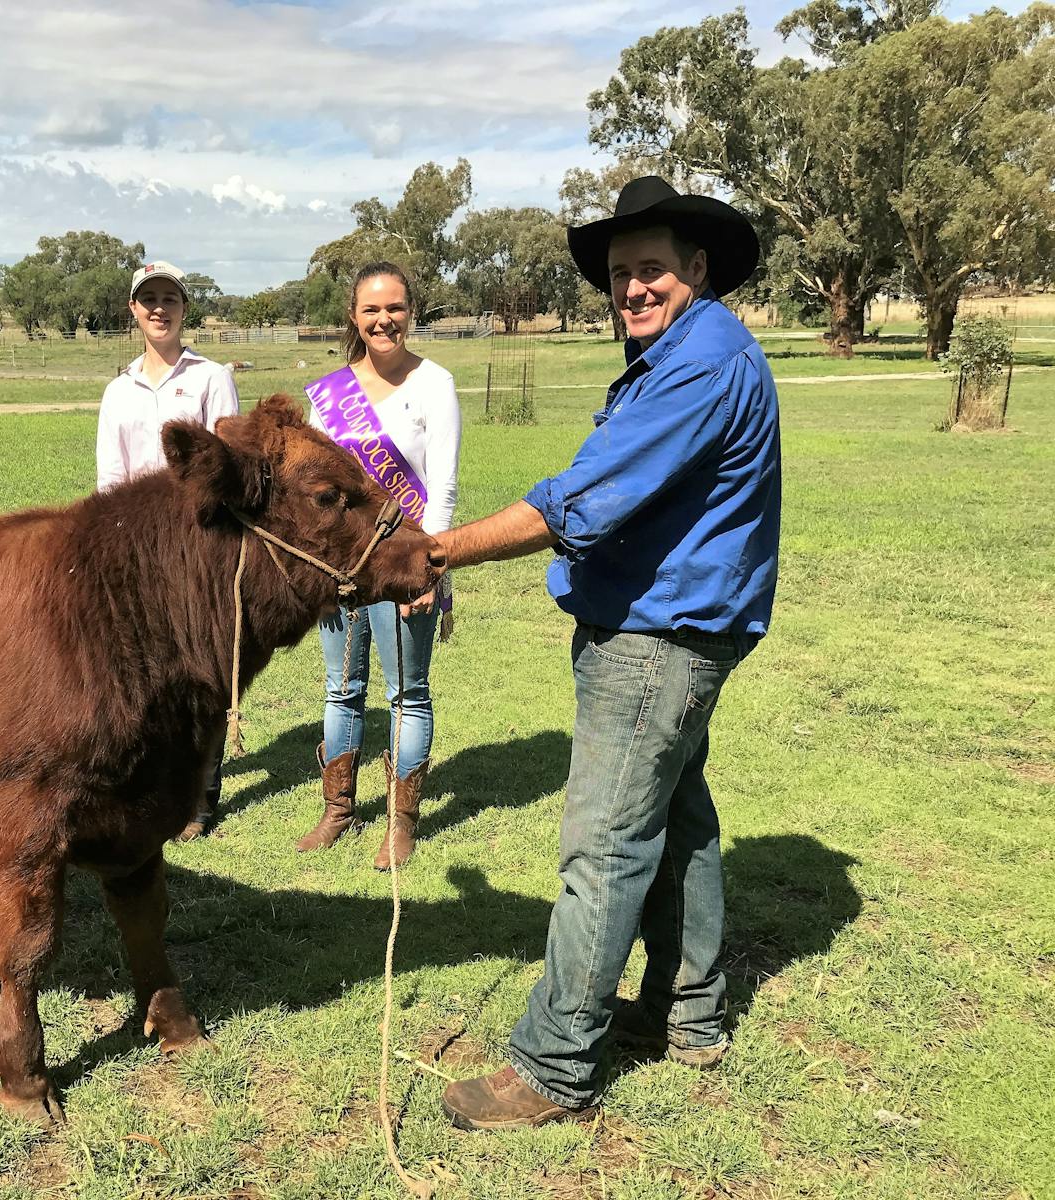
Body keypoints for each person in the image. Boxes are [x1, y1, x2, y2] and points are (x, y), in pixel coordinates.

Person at [435, 178, 782, 1129]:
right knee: (677, 819)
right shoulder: (693, 350)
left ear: (697, 270)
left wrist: (433, 550)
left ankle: (553, 1066)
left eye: (653, 270)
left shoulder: (699, 363)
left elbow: (578, 502)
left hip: (658, 638)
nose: (634, 289)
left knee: (606, 845)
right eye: (622, 274)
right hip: (683, 626)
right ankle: (690, 1014)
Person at [295, 261, 461, 870]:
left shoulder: (435, 384)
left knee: (406, 695)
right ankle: (338, 808)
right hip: (342, 570)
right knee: (342, 690)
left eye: (394, 307)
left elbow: (441, 491)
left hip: (401, 565)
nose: (383, 319)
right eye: (371, 309)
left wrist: (428, 572)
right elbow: (312, 491)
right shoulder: (327, 395)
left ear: (410, 311)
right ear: (353, 316)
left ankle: (400, 821)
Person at [96, 259, 240, 840]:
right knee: (145, 672)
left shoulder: (210, 378)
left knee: (200, 670)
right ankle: (151, 784)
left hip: (200, 546)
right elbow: (111, 478)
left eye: (170, 299)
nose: (159, 308)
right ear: (133, 310)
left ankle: (200, 795)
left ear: (185, 309)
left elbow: (228, 465)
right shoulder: (118, 389)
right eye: (148, 299)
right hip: (138, 550)